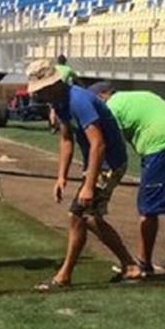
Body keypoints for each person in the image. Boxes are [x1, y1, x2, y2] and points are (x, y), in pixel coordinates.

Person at [25, 59, 142, 291]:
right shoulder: (59, 102)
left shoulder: (80, 101)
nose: (39, 95)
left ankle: (65, 275)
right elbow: (66, 139)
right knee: (87, 217)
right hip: (96, 164)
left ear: (53, 85)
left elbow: (98, 144)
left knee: (79, 215)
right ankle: (128, 265)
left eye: (41, 90)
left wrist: (88, 186)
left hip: (109, 163)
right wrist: (61, 176)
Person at [89, 82, 165, 274]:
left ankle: (143, 264)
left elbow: (111, 145)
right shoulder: (142, 94)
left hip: (161, 148)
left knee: (148, 209)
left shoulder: (112, 107)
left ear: (102, 96)